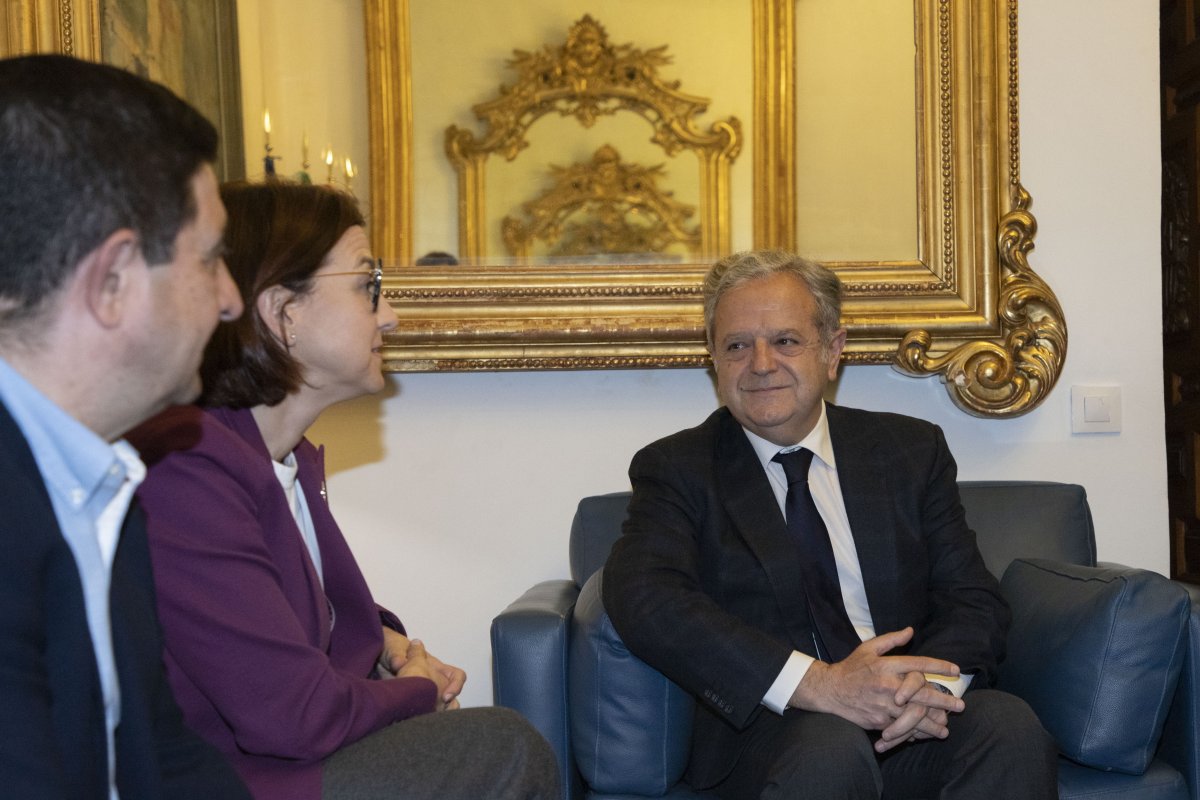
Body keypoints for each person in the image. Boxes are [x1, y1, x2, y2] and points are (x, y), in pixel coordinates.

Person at [127, 180, 558, 800]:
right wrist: (419, 689)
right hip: (227, 781)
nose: (389, 315)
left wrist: (386, 642)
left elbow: (300, 612)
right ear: (284, 312)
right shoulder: (187, 468)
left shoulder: (284, 458)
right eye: (366, 286)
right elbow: (294, 715)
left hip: (279, 766)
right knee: (501, 747)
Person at [603, 250, 1057, 799]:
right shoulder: (677, 468)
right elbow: (645, 596)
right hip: (777, 730)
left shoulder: (908, 451)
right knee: (830, 749)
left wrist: (923, 689)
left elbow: (971, 597)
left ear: (833, 351)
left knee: (1006, 725)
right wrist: (817, 686)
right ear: (715, 362)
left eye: (786, 341)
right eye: (737, 345)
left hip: (909, 719)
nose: (762, 363)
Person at [0, 55, 251, 798]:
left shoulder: (99, 486)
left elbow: (166, 761)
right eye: (210, 261)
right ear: (111, 282)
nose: (232, 300)